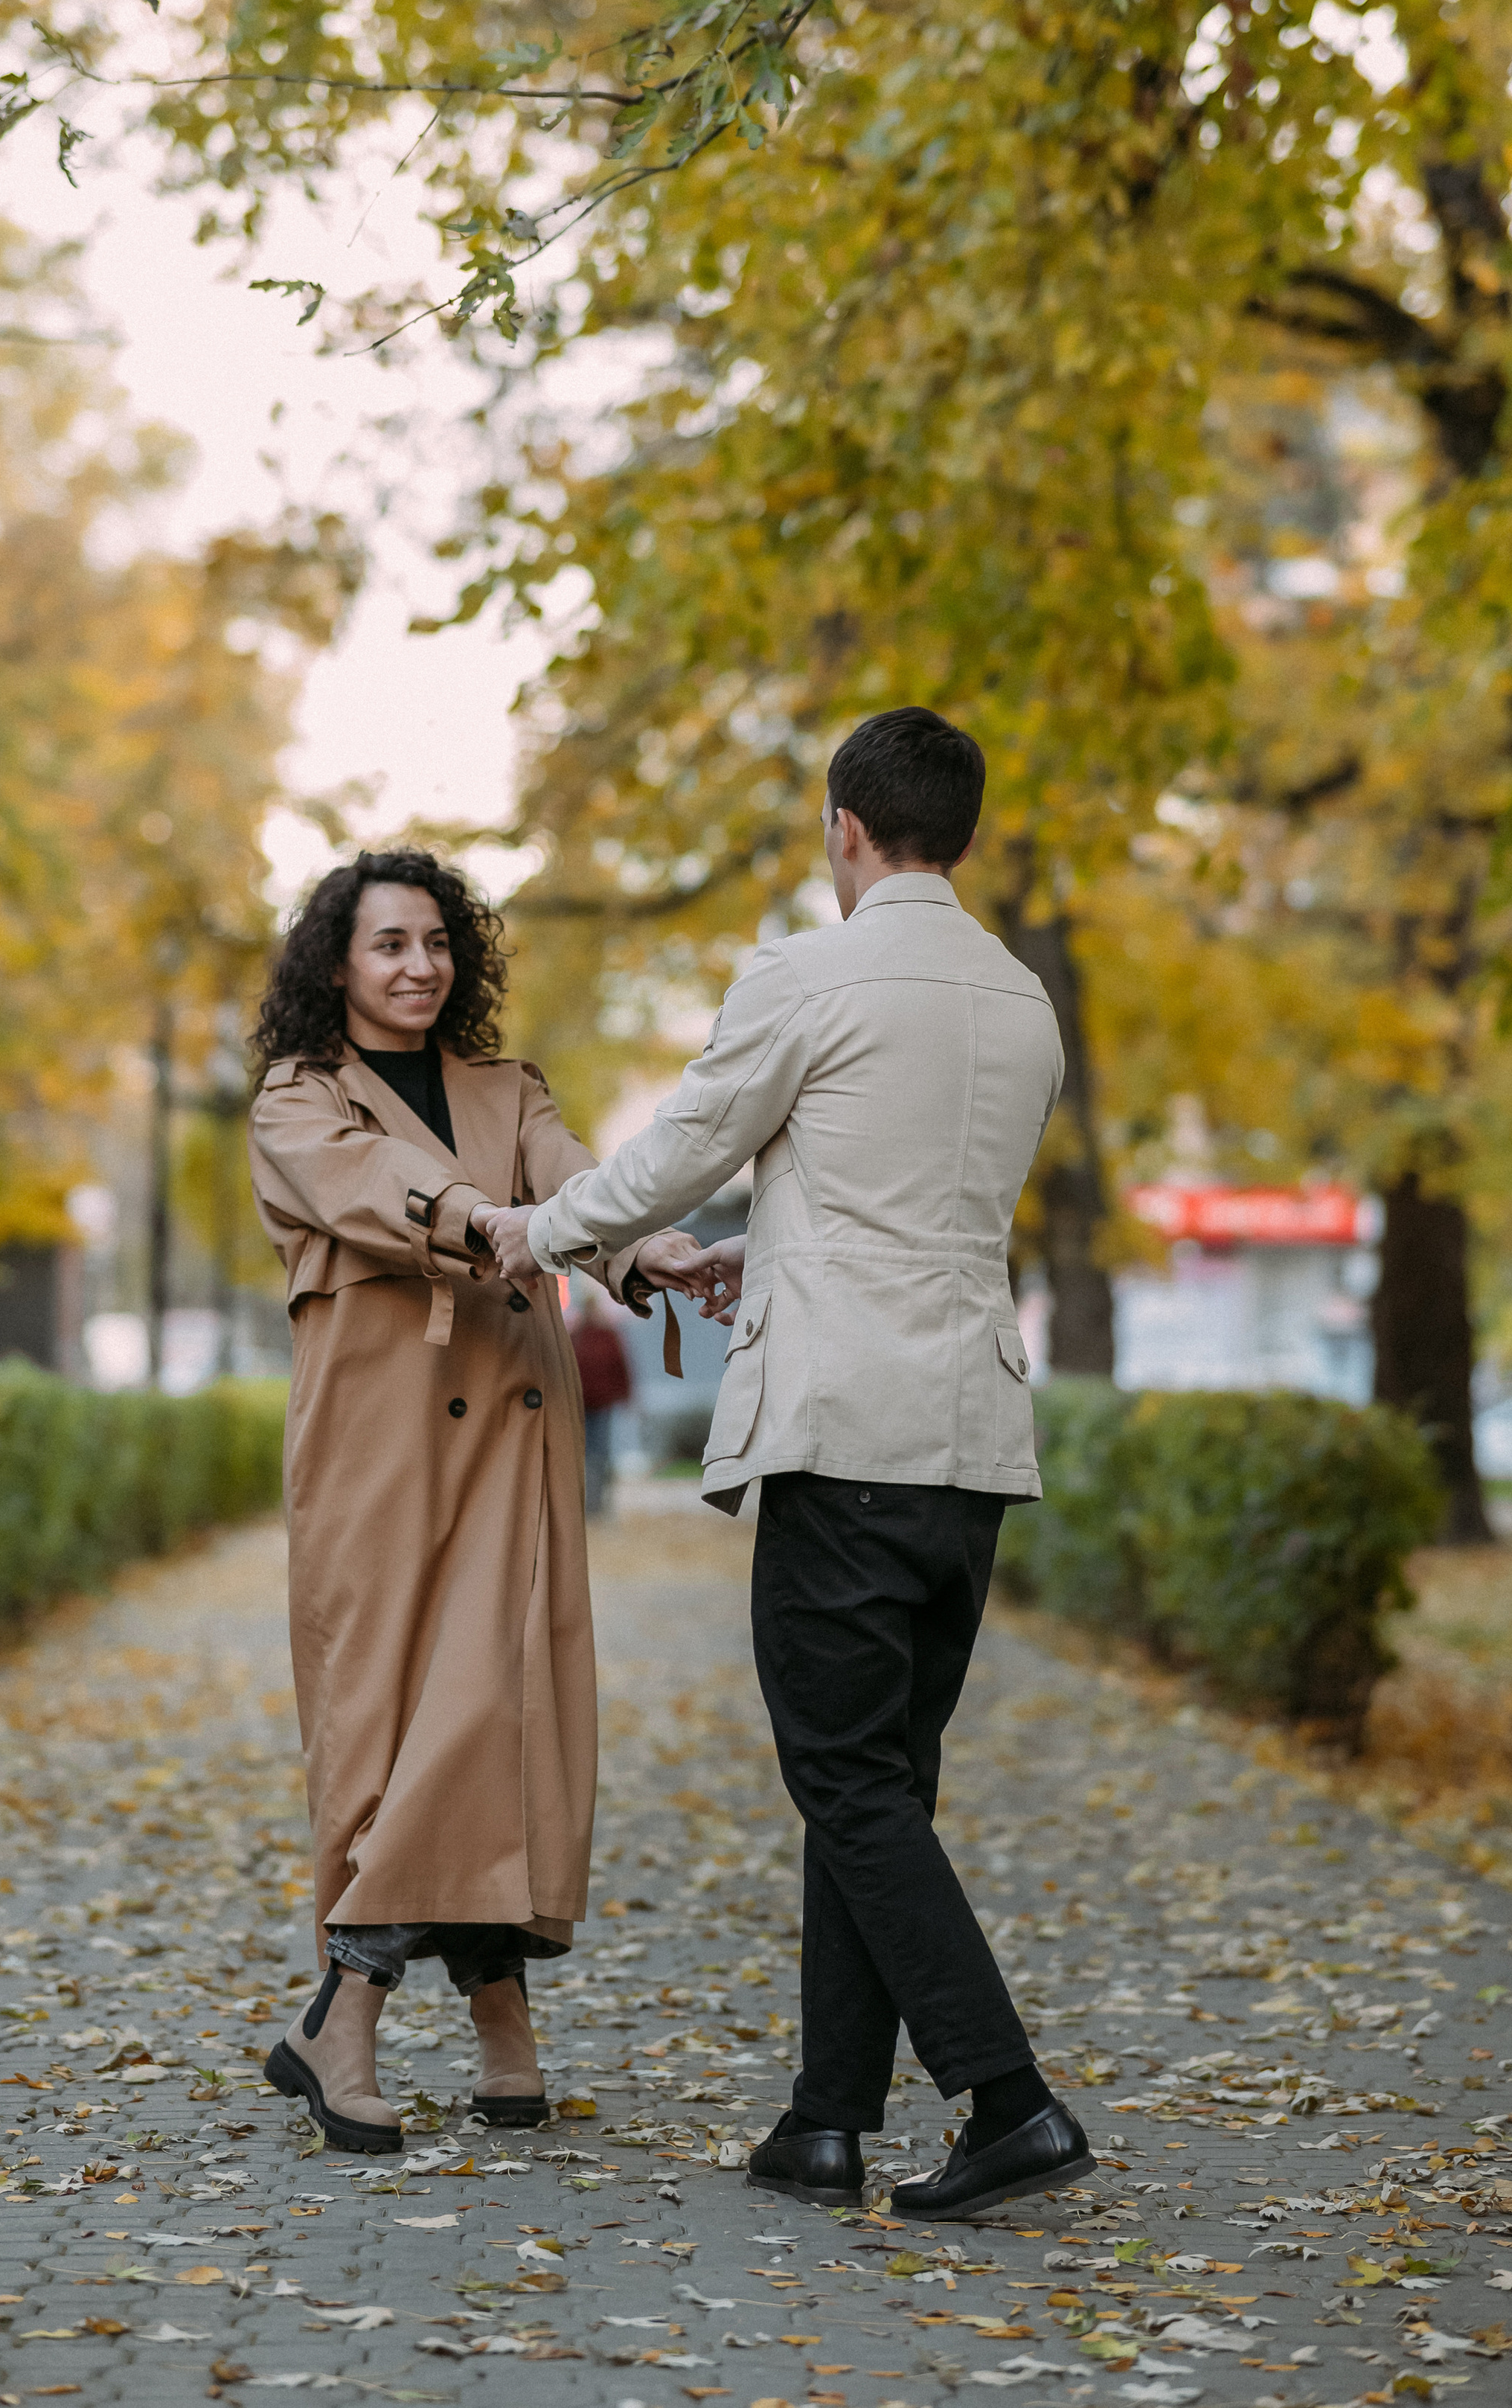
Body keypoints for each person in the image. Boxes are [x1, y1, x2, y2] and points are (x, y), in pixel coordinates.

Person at [477, 709, 1097, 2221]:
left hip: (841, 1435)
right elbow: (901, 1207)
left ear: (843, 828)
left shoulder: (806, 978)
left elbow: (670, 1148)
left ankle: (1003, 2098)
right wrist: (736, 1255)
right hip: (966, 1442)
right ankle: (824, 2121)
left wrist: (531, 1231)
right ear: (954, 827)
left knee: (843, 1783)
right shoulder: (1020, 1002)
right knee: (878, 1786)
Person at [246, 848, 702, 2154]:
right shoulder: (297, 1098)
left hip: (508, 1432)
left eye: (437, 941)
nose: (418, 964)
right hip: (376, 1456)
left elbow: (572, 1182)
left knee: (495, 1704)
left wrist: (643, 1244)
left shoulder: (509, 1089)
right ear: (337, 960)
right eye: (389, 942)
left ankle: (402, 2016)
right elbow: (368, 1192)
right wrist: (484, 1215)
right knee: (393, 1727)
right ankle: (400, 2013)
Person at [566, 1278, 635, 1517]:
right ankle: (581, 1506)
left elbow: (621, 1368)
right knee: (580, 1456)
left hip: (601, 1406)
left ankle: (596, 1505)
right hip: (578, 1406)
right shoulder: (574, 1336)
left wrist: (626, 1397)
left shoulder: (608, 1335)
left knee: (599, 1456)